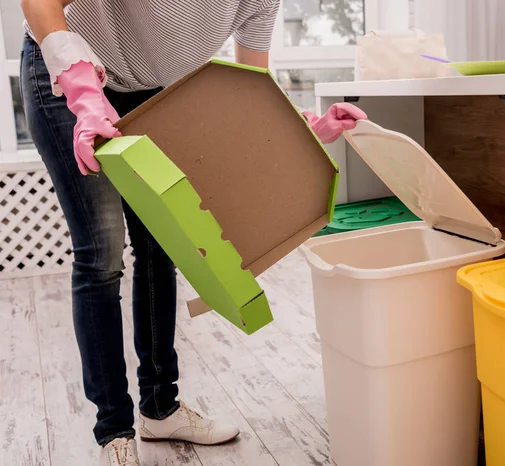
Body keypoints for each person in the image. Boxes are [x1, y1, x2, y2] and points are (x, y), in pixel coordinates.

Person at [19, 0, 367, 464]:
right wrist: (83, 93)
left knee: (160, 247)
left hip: (152, 91)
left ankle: (160, 408)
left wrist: (306, 129)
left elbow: (250, 95)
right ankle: (113, 430)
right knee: (102, 255)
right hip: (66, 72)